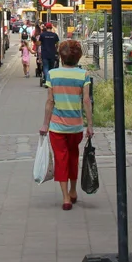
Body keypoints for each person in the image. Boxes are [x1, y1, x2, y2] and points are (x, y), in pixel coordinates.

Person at [40, 40, 94, 210]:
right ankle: (73, 190)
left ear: (61, 57)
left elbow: (50, 101)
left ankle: (65, 198)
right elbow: (86, 100)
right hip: (76, 127)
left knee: (61, 159)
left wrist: (45, 124)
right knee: (72, 157)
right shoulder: (83, 75)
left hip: (57, 127)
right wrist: (90, 125)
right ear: (78, 57)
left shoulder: (53, 75)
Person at [38, 22, 60, 87]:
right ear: (51, 27)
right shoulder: (55, 35)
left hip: (44, 54)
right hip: (52, 54)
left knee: (45, 67)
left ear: (46, 27)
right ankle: (50, 80)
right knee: (51, 67)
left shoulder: (42, 35)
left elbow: (39, 43)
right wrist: (55, 49)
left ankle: (47, 80)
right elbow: (57, 44)